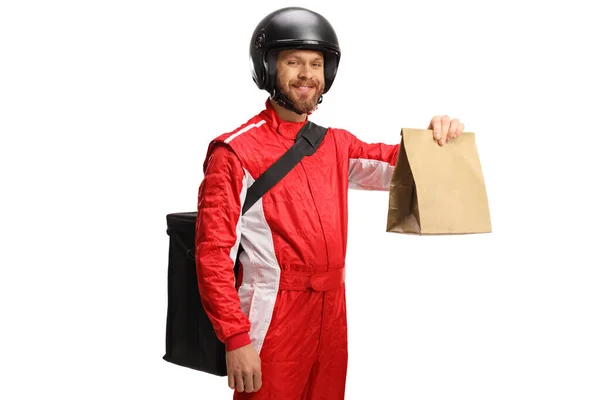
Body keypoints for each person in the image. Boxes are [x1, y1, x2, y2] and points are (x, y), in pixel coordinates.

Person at [195, 6, 465, 399]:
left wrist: (437, 139)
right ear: (268, 68)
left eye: (316, 63)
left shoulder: (335, 145)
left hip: (332, 317)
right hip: (272, 320)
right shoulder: (235, 151)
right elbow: (212, 255)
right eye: (293, 62)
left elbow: (401, 167)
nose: (307, 74)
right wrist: (236, 338)